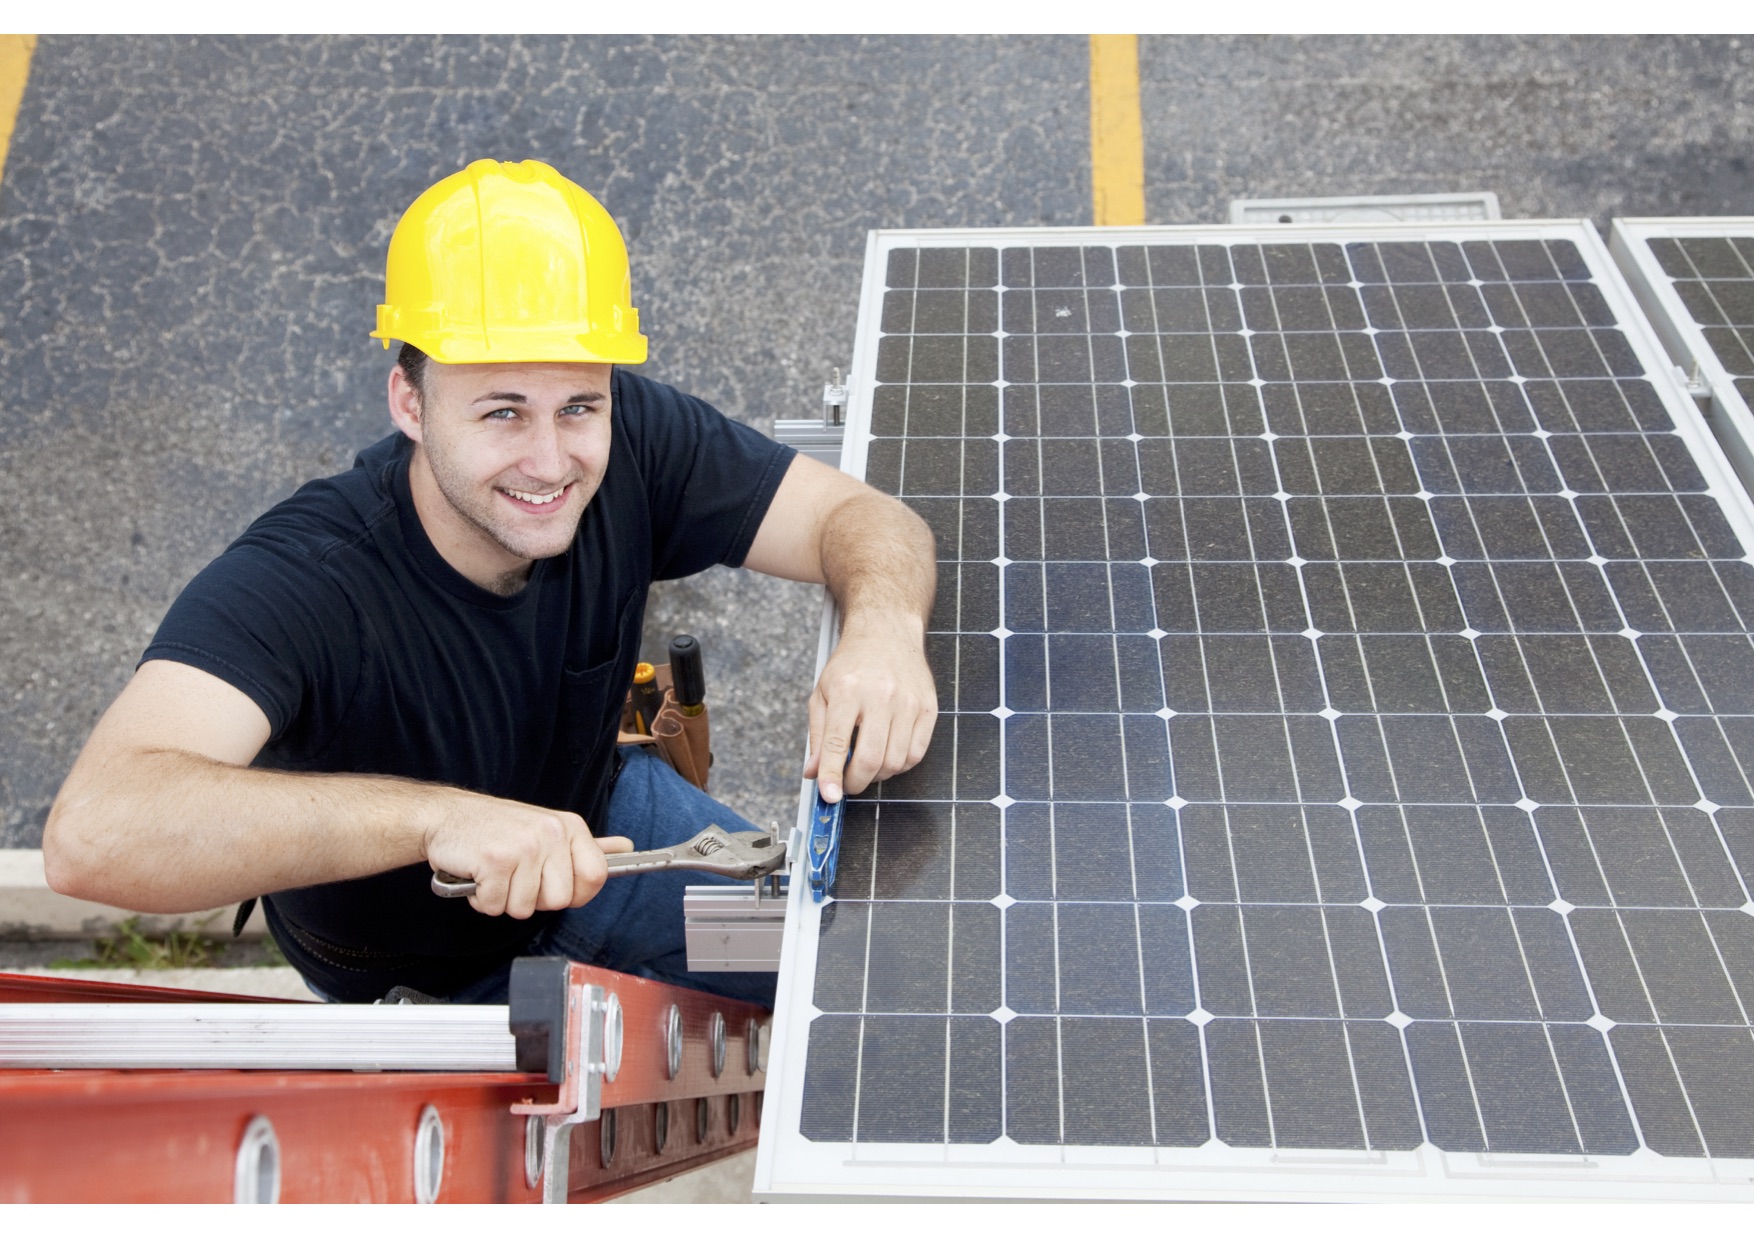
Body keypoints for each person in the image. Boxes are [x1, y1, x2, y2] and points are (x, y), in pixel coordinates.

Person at [42, 159, 937, 1005]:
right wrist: (438, 821)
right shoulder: (309, 580)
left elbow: (860, 519)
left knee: (871, 979)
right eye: (501, 411)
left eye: (579, 405)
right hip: (423, 978)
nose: (551, 461)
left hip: (613, 839)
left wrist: (885, 629)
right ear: (409, 402)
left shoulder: (633, 442)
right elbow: (96, 832)